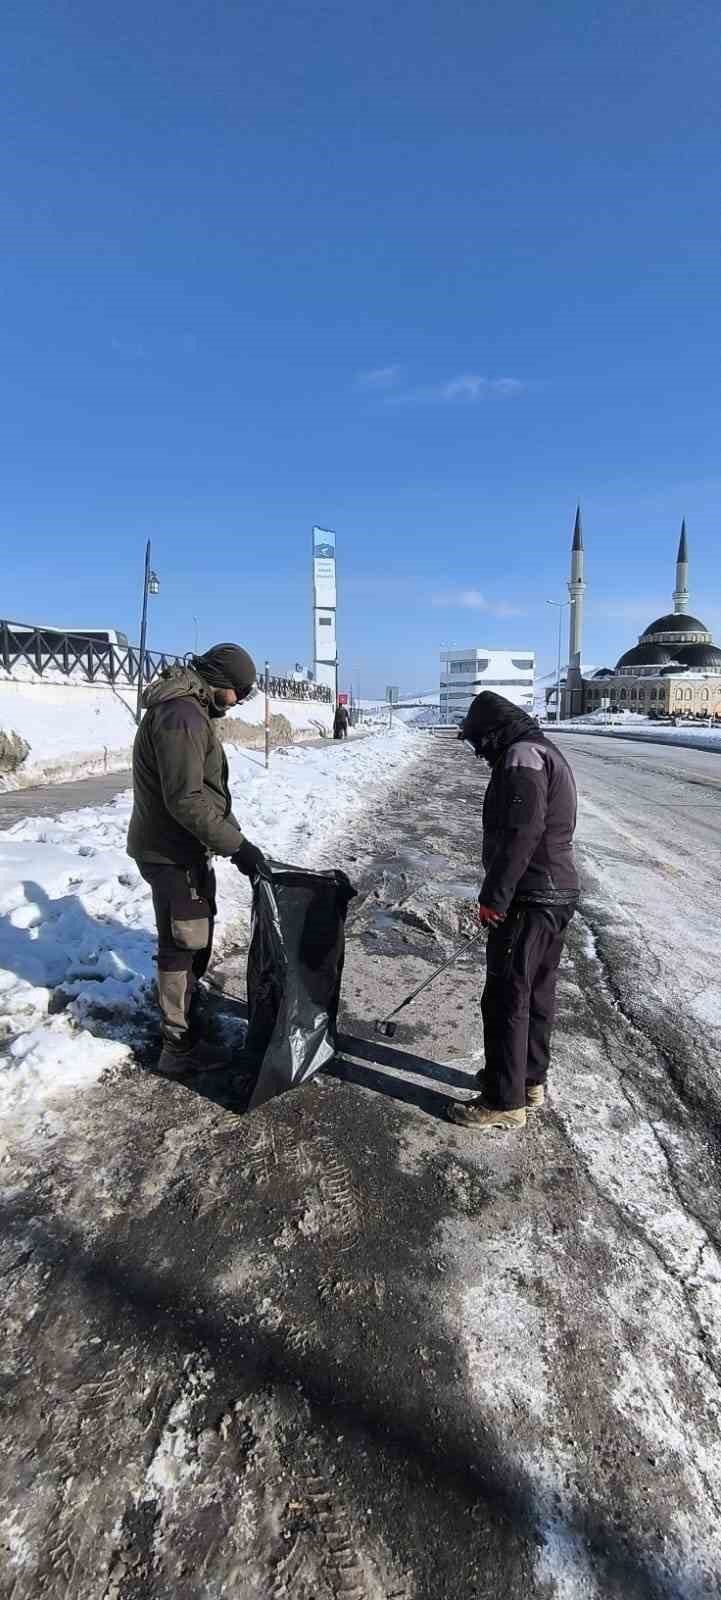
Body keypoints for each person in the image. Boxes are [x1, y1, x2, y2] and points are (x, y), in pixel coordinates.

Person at [127, 644, 266, 1075]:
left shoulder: (191, 711)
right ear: (221, 684)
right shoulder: (182, 716)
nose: (240, 701)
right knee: (182, 943)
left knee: (194, 936)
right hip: (170, 851)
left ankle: (187, 1012)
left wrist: (234, 840)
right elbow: (185, 800)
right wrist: (236, 847)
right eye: (240, 692)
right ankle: (178, 1048)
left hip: (184, 848)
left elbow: (206, 792)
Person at [448, 692, 579, 1133]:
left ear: (494, 732)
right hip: (556, 893)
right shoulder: (544, 749)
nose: (478, 751)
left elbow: (523, 833)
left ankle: (504, 1102)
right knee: (537, 991)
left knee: (507, 996)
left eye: (478, 741)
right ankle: (528, 1080)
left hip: (531, 895)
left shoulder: (521, 757)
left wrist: (495, 896)